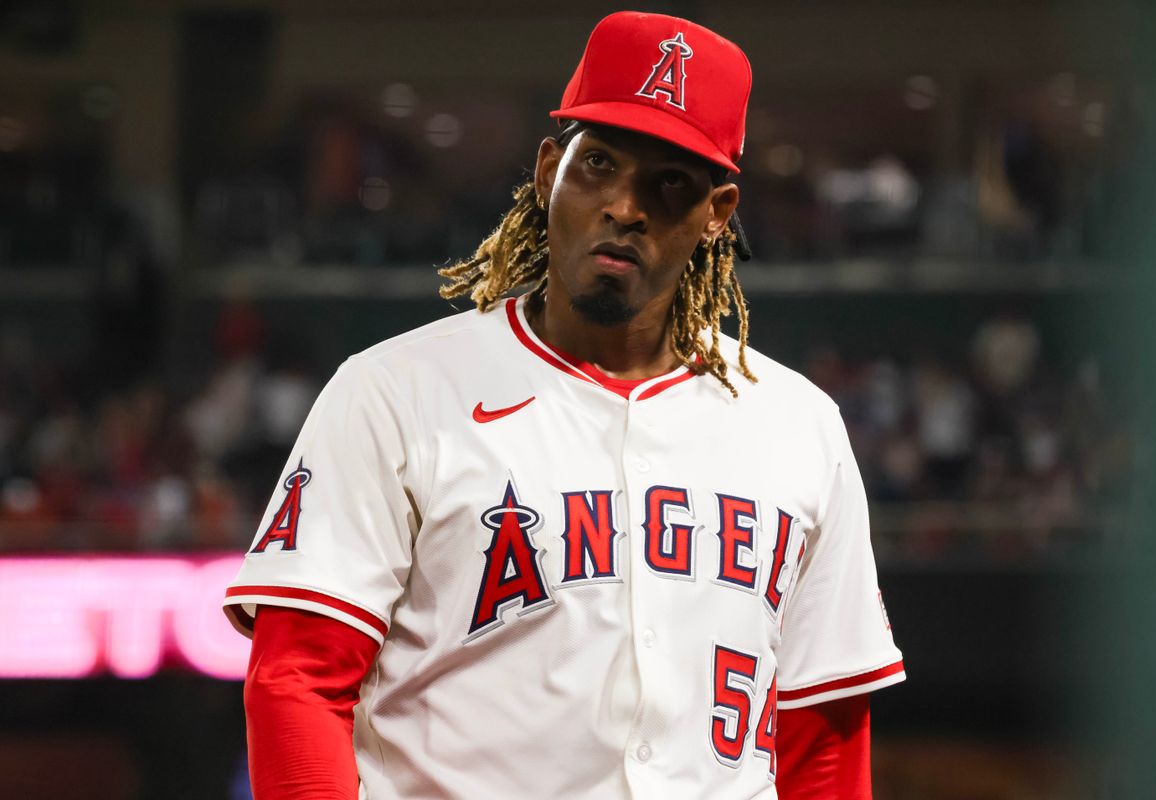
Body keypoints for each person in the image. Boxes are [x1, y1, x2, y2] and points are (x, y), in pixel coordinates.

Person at [224, 11, 903, 799]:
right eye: (600, 165)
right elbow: (295, 682)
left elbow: (821, 728)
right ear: (549, 170)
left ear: (719, 212)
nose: (624, 205)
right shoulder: (396, 392)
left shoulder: (799, 425)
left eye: (668, 183)